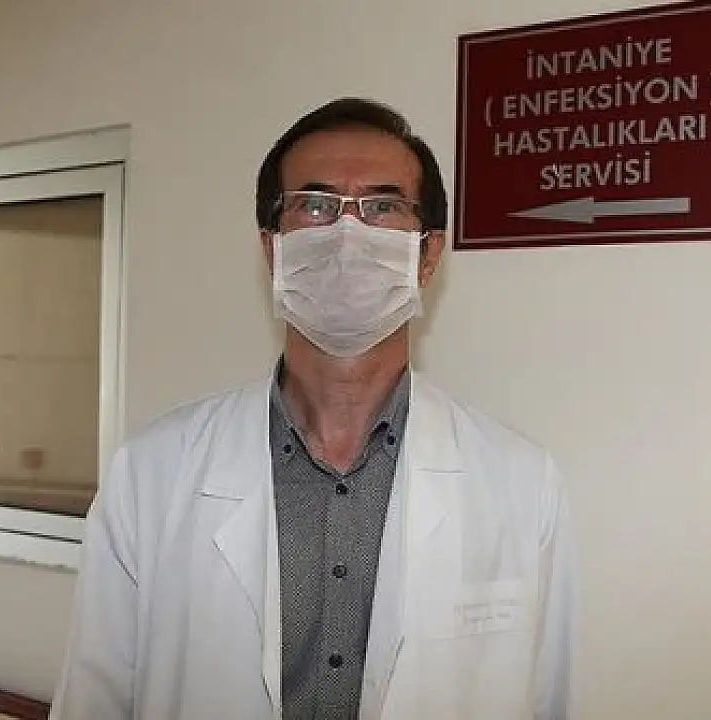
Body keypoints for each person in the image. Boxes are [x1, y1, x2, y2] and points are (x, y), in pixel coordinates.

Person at [49, 98, 575, 720]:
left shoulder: (521, 482)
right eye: (315, 205)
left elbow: (547, 701)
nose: (347, 236)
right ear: (273, 248)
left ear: (428, 253)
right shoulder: (151, 472)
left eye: (382, 207)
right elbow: (92, 702)